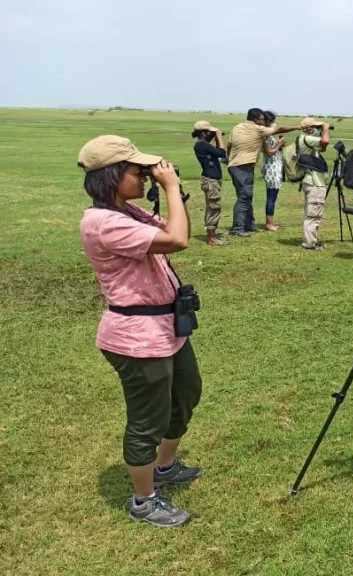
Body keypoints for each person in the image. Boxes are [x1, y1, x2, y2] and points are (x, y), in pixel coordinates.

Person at [77, 135, 209, 528]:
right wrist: (170, 188)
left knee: (186, 394)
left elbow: (175, 229)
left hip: (165, 328)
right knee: (147, 420)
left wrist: (172, 193)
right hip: (136, 336)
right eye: (138, 172)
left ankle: (164, 467)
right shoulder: (103, 223)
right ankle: (143, 500)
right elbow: (177, 239)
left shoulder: (128, 211)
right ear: (112, 176)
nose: (146, 177)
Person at [226, 108, 303, 236]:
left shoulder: (237, 127)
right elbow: (279, 129)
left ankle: (249, 225)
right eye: (262, 120)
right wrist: (298, 127)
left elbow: (229, 145)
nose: (263, 122)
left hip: (236, 165)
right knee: (244, 196)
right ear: (256, 120)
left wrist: (229, 158)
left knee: (246, 196)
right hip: (243, 166)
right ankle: (237, 228)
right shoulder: (258, 128)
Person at [295, 117, 331, 251]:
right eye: (316, 127)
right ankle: (309, 244)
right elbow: (325, 141)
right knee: (313, 215)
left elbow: (323, 147)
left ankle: (311, 241)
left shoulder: (304, 139)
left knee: (312, 213)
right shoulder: (306, 138)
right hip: (314, 182)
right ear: (309, 128)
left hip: (310, 181)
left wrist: (323, 130)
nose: (318, 129)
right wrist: (325, 128)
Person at [191, 120, 228, 246]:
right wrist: (219, 137)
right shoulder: (202, 145)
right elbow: (222, 153)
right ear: (204, 132)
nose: (212, 135)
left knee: (213, 207)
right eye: (210, 133)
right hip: (211, 181)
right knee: (214, 207)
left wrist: (217, 139)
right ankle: (212, 238)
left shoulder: (204, 145)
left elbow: (218, 153)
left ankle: (212, 235)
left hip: (212, 180)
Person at [261, 110, 286, 232]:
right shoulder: (265, 136)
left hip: (274, 167)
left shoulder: (267, 134)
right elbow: (269, 152)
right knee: (271, 196)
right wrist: (279, 144)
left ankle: (270, 221)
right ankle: (269, 223)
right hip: (271, 168)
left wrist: (279, 145)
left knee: (273, 196)